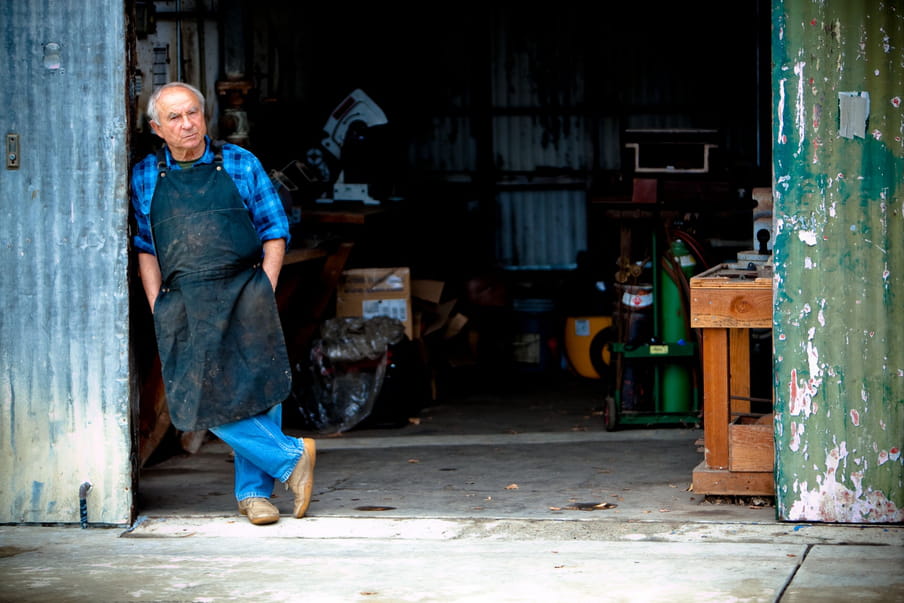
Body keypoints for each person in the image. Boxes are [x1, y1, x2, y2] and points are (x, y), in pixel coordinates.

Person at [131, 81, 315, 526]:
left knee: (259, 388)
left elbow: (274, 230)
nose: (187, 123)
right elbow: (146, 247)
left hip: (243, 291)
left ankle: (255, 496)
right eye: (174, 117)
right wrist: (157, 303)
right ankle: (291, 458)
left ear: (205, 116)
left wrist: (264, 289)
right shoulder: (144, 174)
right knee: (193, 399)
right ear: (157, 128)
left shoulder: (239, 162)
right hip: (185, 301)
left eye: (193, 112)